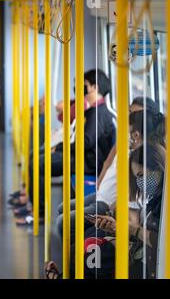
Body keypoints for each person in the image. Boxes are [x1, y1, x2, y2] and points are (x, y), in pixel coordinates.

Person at [45, 143, 166, 279]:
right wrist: (116, 227)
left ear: (158, 166)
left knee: (92, 254)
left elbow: (162, 241)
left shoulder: (164, 202)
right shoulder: (155, 197)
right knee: (87, 239)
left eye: (142, 175)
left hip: (148, 263)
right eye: (137, 177)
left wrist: (130, 230)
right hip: (141, 250)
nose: (140, 182)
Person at [13, 70, 116, 225]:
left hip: (87, 162)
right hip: (83, 157)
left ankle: (39, 212)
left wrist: (60, 148)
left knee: (38, 164)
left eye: (84, 85)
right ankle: (33, 203)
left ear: (94, 87)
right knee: (37, 158)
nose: (79, 87)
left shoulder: (98, 114)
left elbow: (86, 142)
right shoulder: (92, 110)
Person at [55, 98, 166, 239]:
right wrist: (100, 180)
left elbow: (134, 199)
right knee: (63, 209)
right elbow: (108, 162)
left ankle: (78, 254)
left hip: (109, 204)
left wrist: (112, 212)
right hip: (104, 196)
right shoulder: (129, 141)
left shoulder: (145, 157)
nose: (128, 116)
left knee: (63, 223)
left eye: (133, 113)